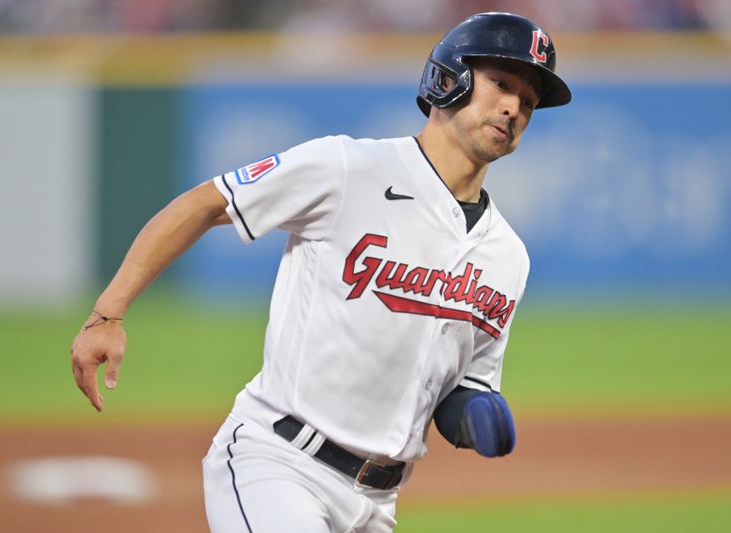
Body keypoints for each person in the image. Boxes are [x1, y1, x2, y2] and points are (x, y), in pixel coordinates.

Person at [70, 12, 571, 532]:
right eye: (501, 84)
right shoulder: (349, 167)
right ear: (450, 78)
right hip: (279, 464)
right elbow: (205, 204)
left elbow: (463, 384)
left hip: (378, 502)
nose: (513, 107)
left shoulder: (508, 255)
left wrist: (472, 415)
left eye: (529, 102)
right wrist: (108, 312)